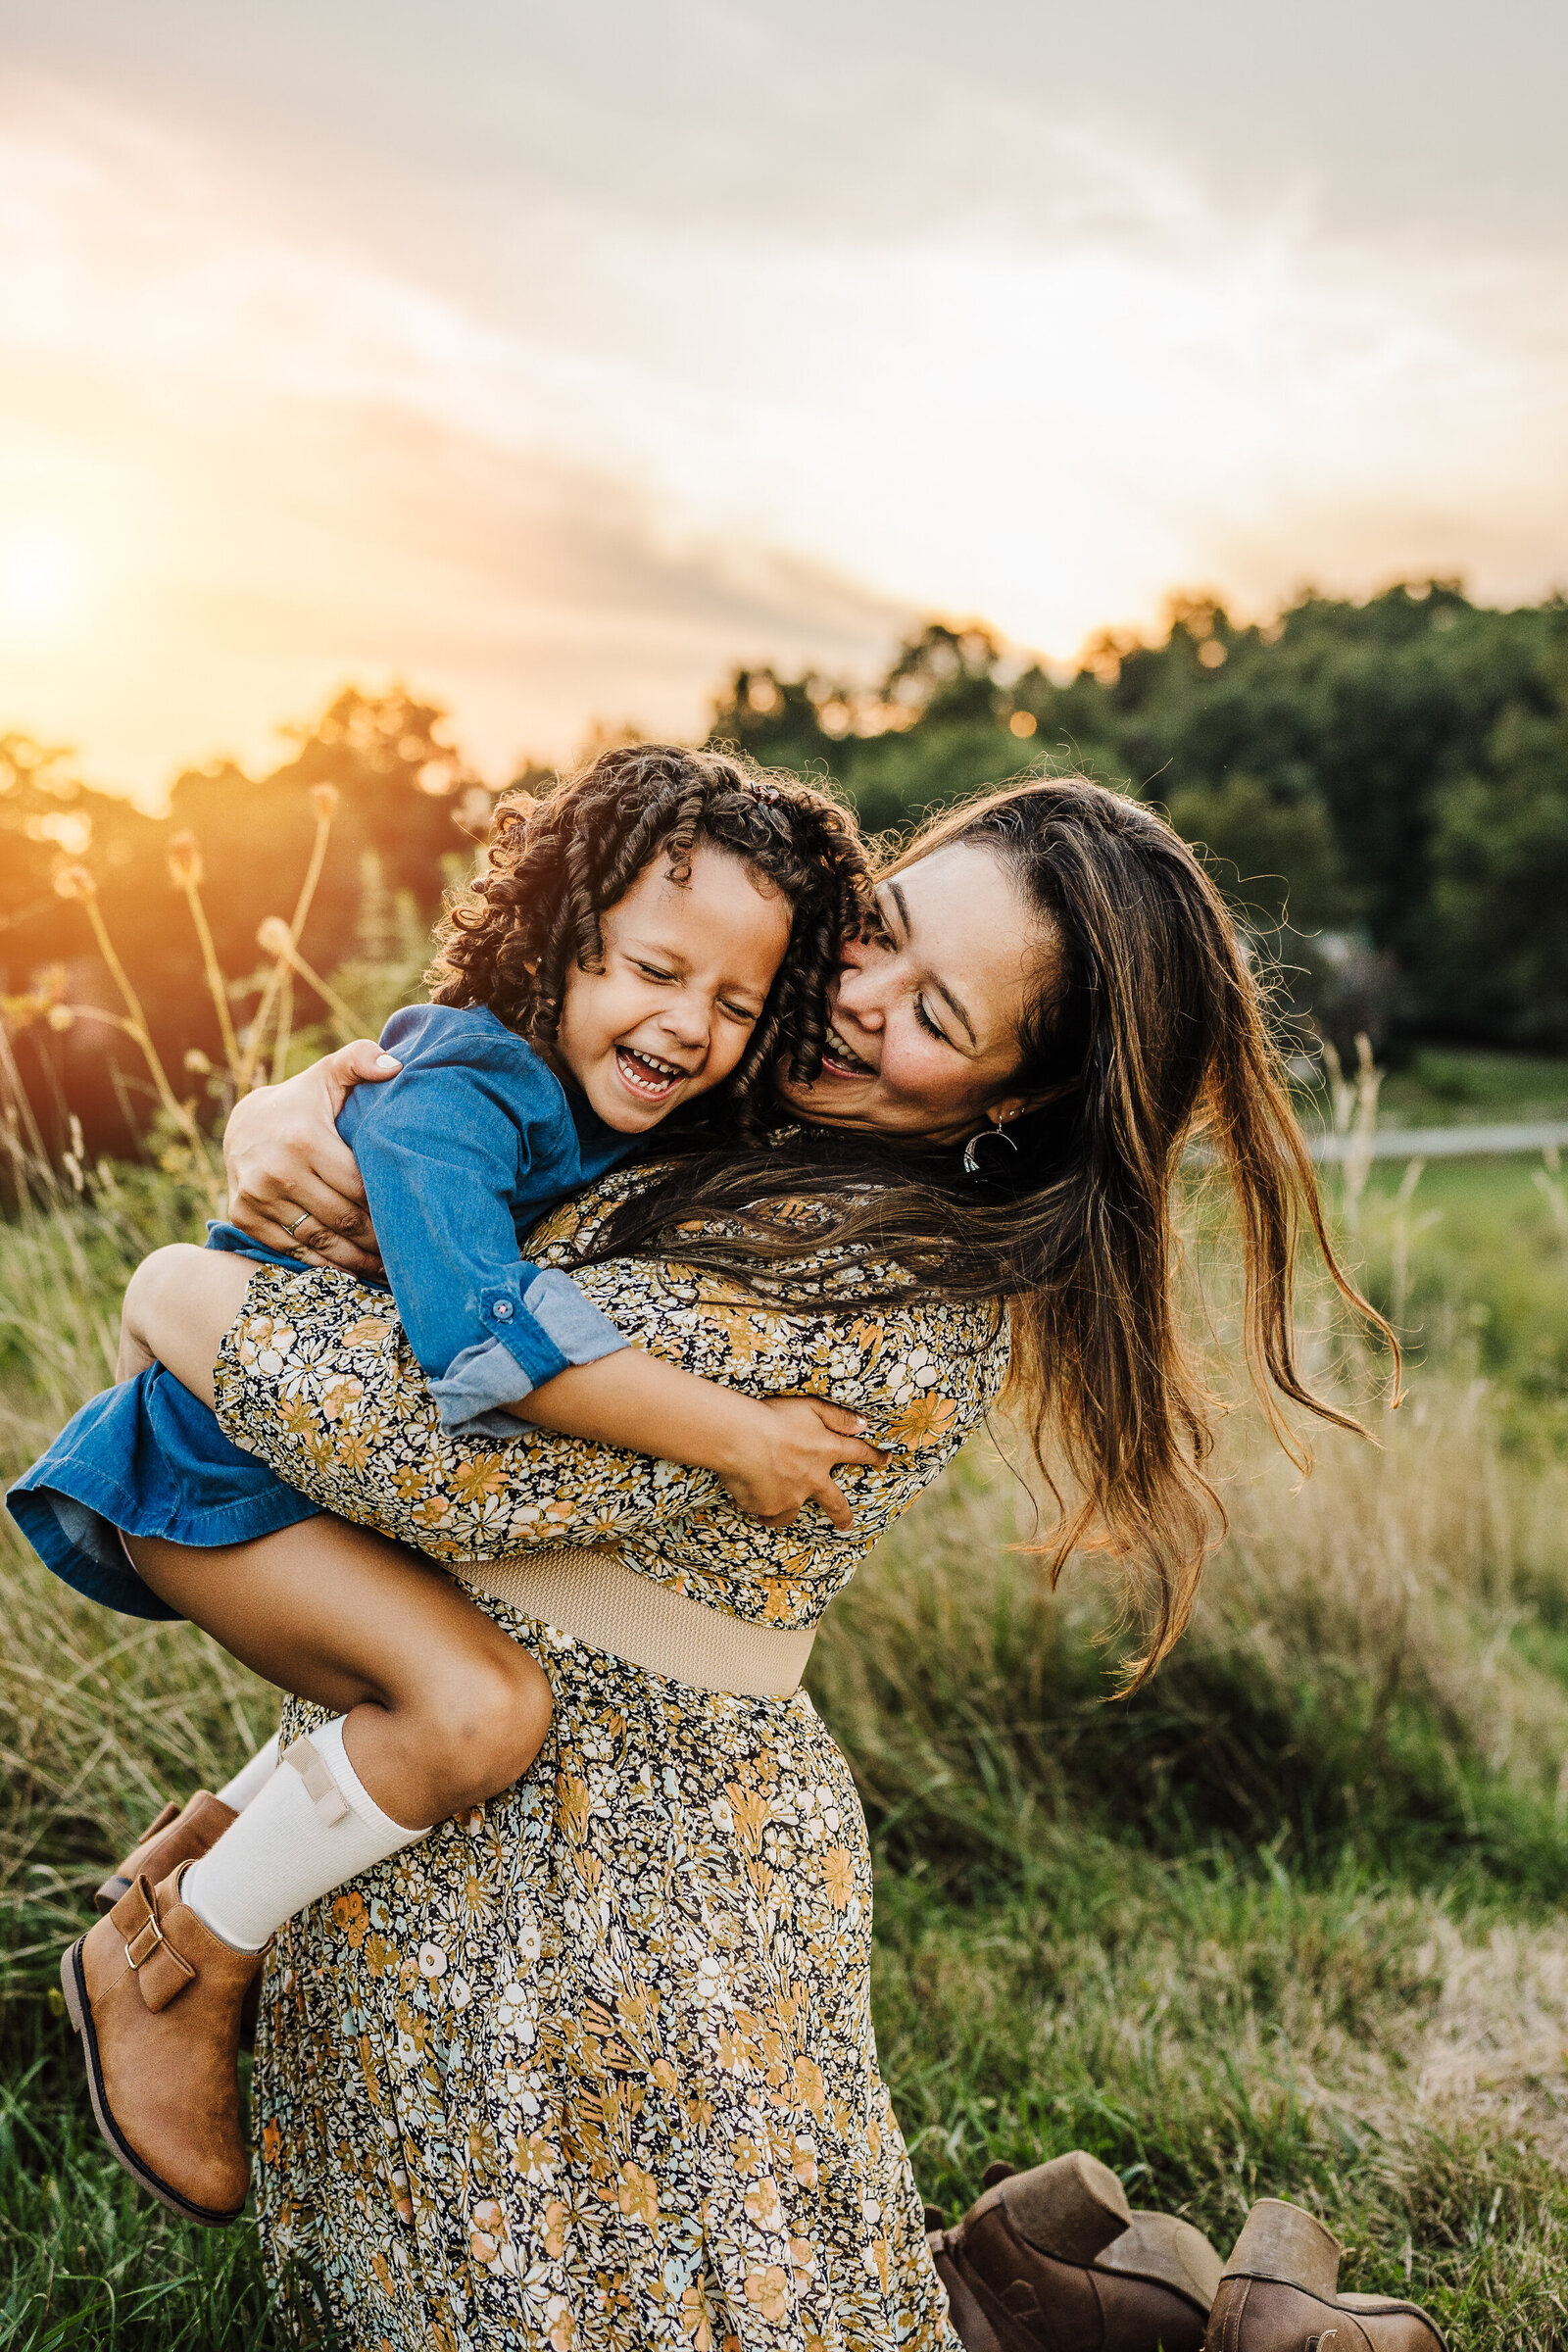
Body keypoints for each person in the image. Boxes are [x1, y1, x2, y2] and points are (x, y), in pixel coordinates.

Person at [77, 778, 1399, 2349]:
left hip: (611, 1923)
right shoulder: (715, 1084)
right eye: (878, 937)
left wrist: (170, 1289)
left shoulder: (899, 1295)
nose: (852, 1005)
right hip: (442, 1839)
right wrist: (302, 1105)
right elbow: (474, 1091)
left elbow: (440, 1451)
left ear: (1012, 1104)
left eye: (932, 1012)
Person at [17, 745, 888, 2229]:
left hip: (305, 1479)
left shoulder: (626, 1102)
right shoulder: (465, 1093)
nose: (687, 1023)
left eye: (736, 1003)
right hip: (220, 1480)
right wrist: (738, 1434)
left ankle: (189, 1866)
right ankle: (176, 1969)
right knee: (479, 1710)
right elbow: (486, 1341)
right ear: (563, 941)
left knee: (454, 1695)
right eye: (654, 969)